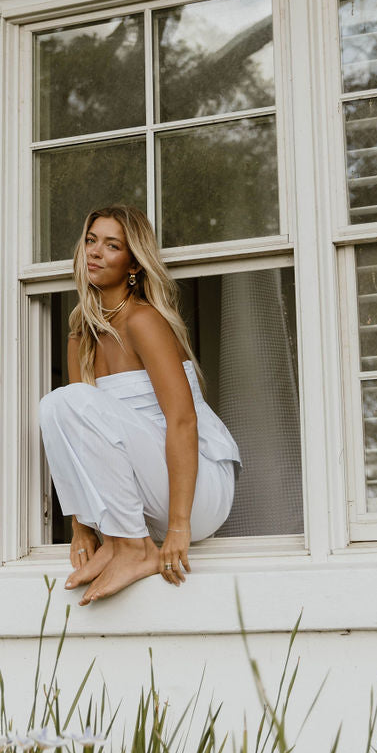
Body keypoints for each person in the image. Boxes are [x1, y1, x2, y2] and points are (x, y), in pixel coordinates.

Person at [38, 204, 241, 605]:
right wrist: (82, 529)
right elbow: (81, 439)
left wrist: (180, 528)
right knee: (54, 407)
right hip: (144, 505)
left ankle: (134, 548)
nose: (94, 252)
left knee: (70, 400)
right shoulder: (81, 337)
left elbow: (182, 421)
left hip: (197, 493)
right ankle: (121, 541)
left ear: (133, 264)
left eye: (111, 245)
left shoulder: (143, 320)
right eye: (90, 240)